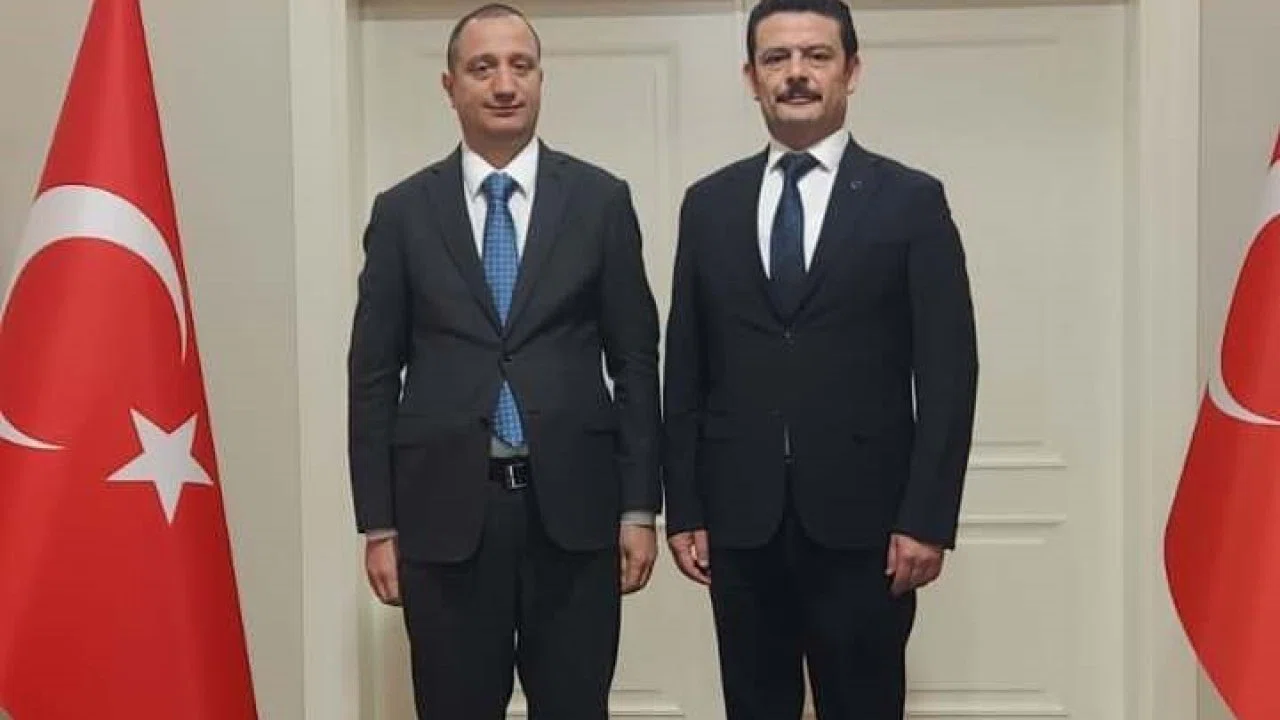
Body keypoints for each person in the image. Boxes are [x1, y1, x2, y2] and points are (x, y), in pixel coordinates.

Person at [661, 0, 979, 718]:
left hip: (868, 527)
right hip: (740, 523)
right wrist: (684, 505)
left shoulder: (910, 201)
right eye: (776, 59)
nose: (796, 73)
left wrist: (928, 518)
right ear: (752, 78)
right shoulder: (708, 205)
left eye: (816, 55)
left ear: (851, 70)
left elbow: (949, 372)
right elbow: (686, 367)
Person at [345, 4, 662, 718]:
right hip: (444, 518)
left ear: (541, 78)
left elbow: (636, 361)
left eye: (521, 65)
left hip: (575, 513)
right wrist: (379, 525)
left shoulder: (600, 201)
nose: (505, 84)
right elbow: (372, 376)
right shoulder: (403, 212)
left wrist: (640, 506)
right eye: (483, 67)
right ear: (450, 85)